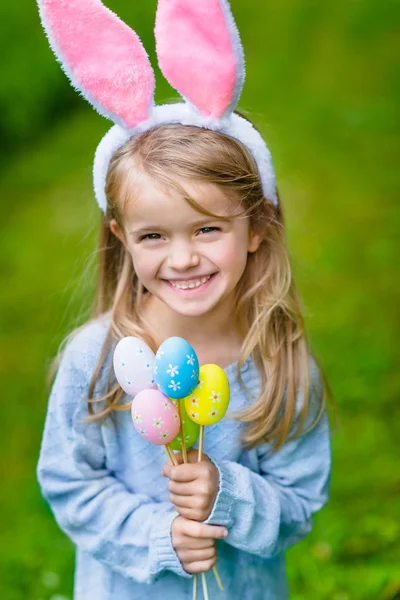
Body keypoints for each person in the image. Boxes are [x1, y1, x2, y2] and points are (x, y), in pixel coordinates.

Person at [36, 1, 331, 599]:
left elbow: (300, 504)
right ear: (121, 238)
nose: (182, 259)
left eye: (207, 229)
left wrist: (229, 492)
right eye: (153, 236)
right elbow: (69, 483)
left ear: (256, 227)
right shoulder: (96, 358)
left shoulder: (280, 363)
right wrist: (157, 533)